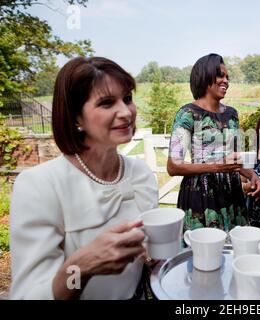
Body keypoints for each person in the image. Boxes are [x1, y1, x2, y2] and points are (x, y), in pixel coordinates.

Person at [9, 57, 159, 300]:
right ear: (76, 117)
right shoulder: (40, 186)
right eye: (107, 102)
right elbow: (29, 295)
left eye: (127, 98)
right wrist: (82, 267)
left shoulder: (140, 173)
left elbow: (146, 258)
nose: (125, 112)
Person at [167, 53, 260, 232]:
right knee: (204, 255)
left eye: (227, 77)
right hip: (201, 198)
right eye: (220, 75)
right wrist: (217, 167)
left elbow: (231, 160)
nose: (226, 81)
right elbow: (173, 166)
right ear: (204, 75)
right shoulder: (188, 114)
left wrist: (251, 175)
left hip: (232, 195)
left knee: (235, 252)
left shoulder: (232, 114)